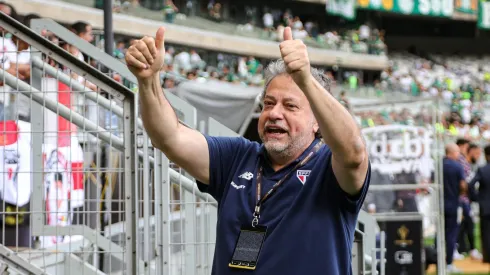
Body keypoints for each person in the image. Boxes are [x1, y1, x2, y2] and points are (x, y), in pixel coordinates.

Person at [125, 26, 370, 275]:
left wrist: (305, 79)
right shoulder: (237, 157)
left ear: (317, 120)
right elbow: (169, 137)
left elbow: (354, 152)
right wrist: (148, 81)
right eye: (269, 103)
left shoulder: (330, 168)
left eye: (290, 106)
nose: (274, 113)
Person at [455, 140, 482, 260]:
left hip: (465, 200)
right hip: (461, 199)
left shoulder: (466, 162)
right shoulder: (461, 161)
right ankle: (466, 249)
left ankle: (465, 248)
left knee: (465, 225)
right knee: (463, 224)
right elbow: (464, 183)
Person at [443, 143, 467, 273]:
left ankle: (438, 259)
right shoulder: (457, 166)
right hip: (453, 204)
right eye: (457, 152)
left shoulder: (439, 165)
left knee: (440, 233)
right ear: (451, 152)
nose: (458, 155)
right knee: (452, 233)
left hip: (441, 205)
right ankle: (449, 263)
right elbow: (463, 185)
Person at [469, 145, 490, 266]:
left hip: (485, 206)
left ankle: (487, 256)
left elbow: (471, 184)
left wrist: (476, 198)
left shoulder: (482, 169)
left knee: (486, 232)